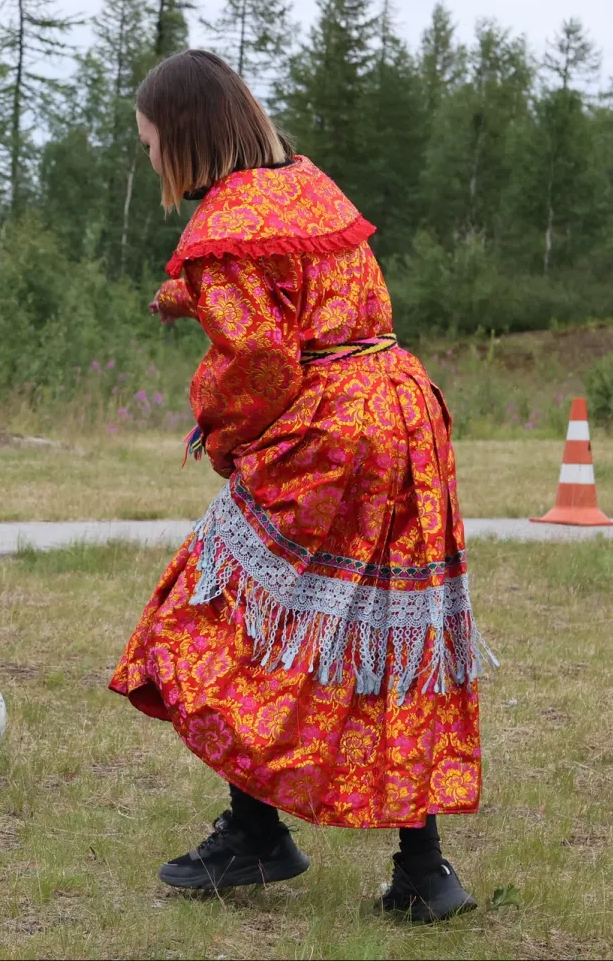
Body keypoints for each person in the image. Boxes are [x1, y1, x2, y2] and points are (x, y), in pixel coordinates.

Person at [109, 50, 491, 922]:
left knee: (214, 611)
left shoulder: (223, 222)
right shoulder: (305, 185)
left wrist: (221, 428)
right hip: (404, 415)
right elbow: (300, 287)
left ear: (186, 134)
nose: (153, 161)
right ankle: (424, 871)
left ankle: (255, 836)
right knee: (389, 633)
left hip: (329, 434)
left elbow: (261, 357)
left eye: (151, 144)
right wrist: (194, 294)